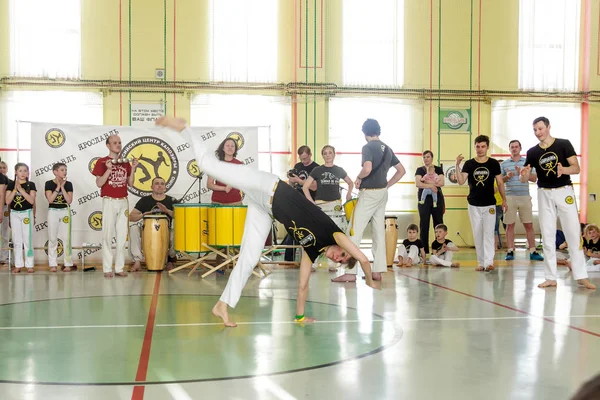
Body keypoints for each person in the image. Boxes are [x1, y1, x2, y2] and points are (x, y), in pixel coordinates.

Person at [155, 116, 379, 328]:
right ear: (344, 246)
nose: (336, 257)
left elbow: (303, 286)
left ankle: (222, 305)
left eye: (338, 261)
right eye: (342, 255)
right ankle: (184, 128)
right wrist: (368, 279)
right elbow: (363, 259)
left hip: (263, 208)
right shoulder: (334, 234)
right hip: (266, 185)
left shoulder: (312, 250)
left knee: (249, 258)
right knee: (208, 166)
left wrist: (300, 316)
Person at [520, 116, 595, 289]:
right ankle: (550, 277)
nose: (538, 132)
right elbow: (529, 177)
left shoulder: (563, 144)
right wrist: (523, 174)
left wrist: (564, 169)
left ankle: (581, 275)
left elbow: (576, 168)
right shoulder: (532, 152)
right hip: (544, 193)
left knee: (573, 233)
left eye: (540, 128)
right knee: (547, 235)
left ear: (548, 127)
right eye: (535, 130)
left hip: (564, 191)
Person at [333, 119, 405, 282]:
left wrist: (358, 177)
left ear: (364, 133)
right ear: (378, 131)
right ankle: (378, 271)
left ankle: (350, 273)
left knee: (354, 230)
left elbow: (367, 168)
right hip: (382, 194)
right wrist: (387, 185)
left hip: (369, 193)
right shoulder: (387, 148)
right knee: (378, 232)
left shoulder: (367, 147)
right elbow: (401, 171)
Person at [456, 135, 506, 272]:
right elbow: (461, 181)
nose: (480, 149)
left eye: (483, 146)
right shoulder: (469, 164)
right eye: (477, 146)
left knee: (489, 233)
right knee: (478, 233)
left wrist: (504, 200)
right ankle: (481, 262)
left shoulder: (494, 163)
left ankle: (489, 262)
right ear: (475, 147)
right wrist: (457, 165)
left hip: (489, 204)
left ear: (487, 147)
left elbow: (500, 183)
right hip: (473, 204)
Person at [92, 135, 139, 278]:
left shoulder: (125, 163)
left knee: (121, 236)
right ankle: (107, 268)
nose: (118, 145)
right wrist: (108, 169)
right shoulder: (102, 161)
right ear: (108, 145)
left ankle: (119, 268)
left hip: (123, 200)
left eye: (119, 142)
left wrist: (134, 168)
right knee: (107, 234)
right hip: (109, 200)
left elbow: (131, 183)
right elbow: (99, 183)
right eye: (114, 143)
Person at [500, 140, 544, 261]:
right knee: (509, 225)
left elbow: (534, 179)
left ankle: (533, 251)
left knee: (529, 224)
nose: (514, 149)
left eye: (516, 147)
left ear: (520, 148)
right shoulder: (504, 164)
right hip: (509, 197)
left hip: (524, 196)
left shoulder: (527, 163)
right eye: (512, 147)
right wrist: (506, 177)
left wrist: (523, 174)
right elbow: (499, 182)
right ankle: (510, 251)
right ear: (509, 149)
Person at [128, 177, 177, 271]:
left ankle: (170, 260)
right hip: (147, 231)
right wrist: (142, 215)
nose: (159, 186)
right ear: (152, 187)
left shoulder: (172, 200)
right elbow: (131, 217)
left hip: (166, 231)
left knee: (177, 231)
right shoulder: (145, 200)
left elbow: (180, 216)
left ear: (165, 187)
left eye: (162, 184)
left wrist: (166, 210)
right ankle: (137, 261)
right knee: (133, 229)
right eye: (157, 183)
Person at [302, 145, 353, 226]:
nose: (328, 155)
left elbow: (350, 182)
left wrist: (349, 193)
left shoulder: (339, 170)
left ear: (334, 154)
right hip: (320, 204)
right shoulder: (317, 170)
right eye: (325, 153)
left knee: (336, 229)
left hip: (335, 204)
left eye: (330, 153)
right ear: (322, 156)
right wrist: (311, 202)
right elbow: (305, 187)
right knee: (321, 229)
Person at [284, 145, 319, 261]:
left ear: (310, 155)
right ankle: (289, 259)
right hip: (296, 200)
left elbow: (314, 187)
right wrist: (291, 180)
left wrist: (299, 180)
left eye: (305, 158)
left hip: (310, 201)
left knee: (307, 229)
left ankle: (308, 258)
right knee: (293, 228)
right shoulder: (298, 166)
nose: (303, 161)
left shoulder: (316, 168)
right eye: (301, 159)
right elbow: (292, 184)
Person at [5, 163, 36, 273]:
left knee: (28, 239)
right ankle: (18, 264)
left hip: (27, 213)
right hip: (14, 214)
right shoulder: (10, 184)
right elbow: (8, 201)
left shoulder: (31, 185)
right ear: (16, 172)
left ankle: (30, 265)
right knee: (16, 240)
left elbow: (32, 201)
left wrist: (21, 190)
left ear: (28, 172)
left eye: (25, 171)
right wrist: (15, 189)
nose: (23, 173)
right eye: (20, 171)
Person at [44, 163, 74, 272]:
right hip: (53, 211)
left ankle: (68, 263)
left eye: (65, 169)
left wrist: (63, 187)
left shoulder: (69, 184)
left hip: (65, 210)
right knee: (52, 238)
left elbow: (69, 200)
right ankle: (53, 263)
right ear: (55, 172)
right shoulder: (48, 184)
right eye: (62, 170)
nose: (65, 172)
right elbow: (50, 200)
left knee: (67, 238)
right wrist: (58, 187)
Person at [415, 151, 445, 254]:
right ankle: (424, 250)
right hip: (424, 200)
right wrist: (432, 185)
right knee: (424, 224)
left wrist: (426, 183)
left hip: (436, 198)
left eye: (428, 157)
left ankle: (439, 248)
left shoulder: (438, 169)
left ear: (432, 158)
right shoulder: (420, 170)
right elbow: (418, 183)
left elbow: (441, 183)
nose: (426, 159)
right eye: (424, 157)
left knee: (438, 223)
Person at [207, 138, 243, 206]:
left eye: (232, 146)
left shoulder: (240, 165)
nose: (230, 148)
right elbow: (209, 185)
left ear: (235, 149)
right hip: (217, 203)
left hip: (235, 202)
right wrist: (224, 188)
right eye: (227, 145)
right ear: (223, 148)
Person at [0, 161, 8, 265]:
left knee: (4, 233)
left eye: (3, 167)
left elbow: (4, 196)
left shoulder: (7, 180)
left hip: (4, 208)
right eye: (0, 167)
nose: (1, 169)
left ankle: (5, 256)